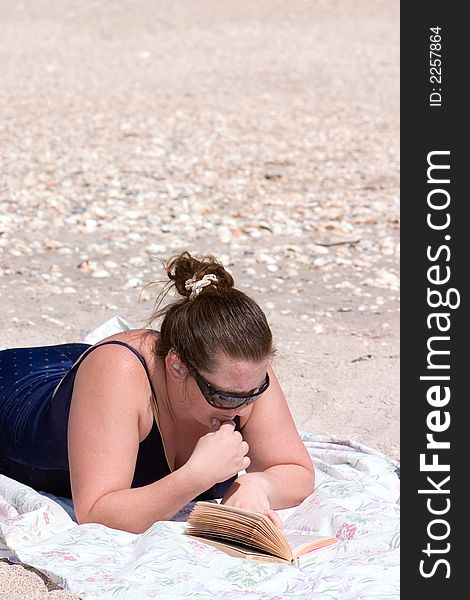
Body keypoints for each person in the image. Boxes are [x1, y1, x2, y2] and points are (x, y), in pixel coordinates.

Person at [0, 251, 315, 534]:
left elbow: (297, 470)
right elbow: (96, 513)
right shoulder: (120, 375)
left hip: (90, 374)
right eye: (225, 397)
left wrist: (258, 484)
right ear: (177, 367)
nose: (243, 409)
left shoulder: (240, 374)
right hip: (21, 389)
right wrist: (194, 477)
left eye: (254, 394)